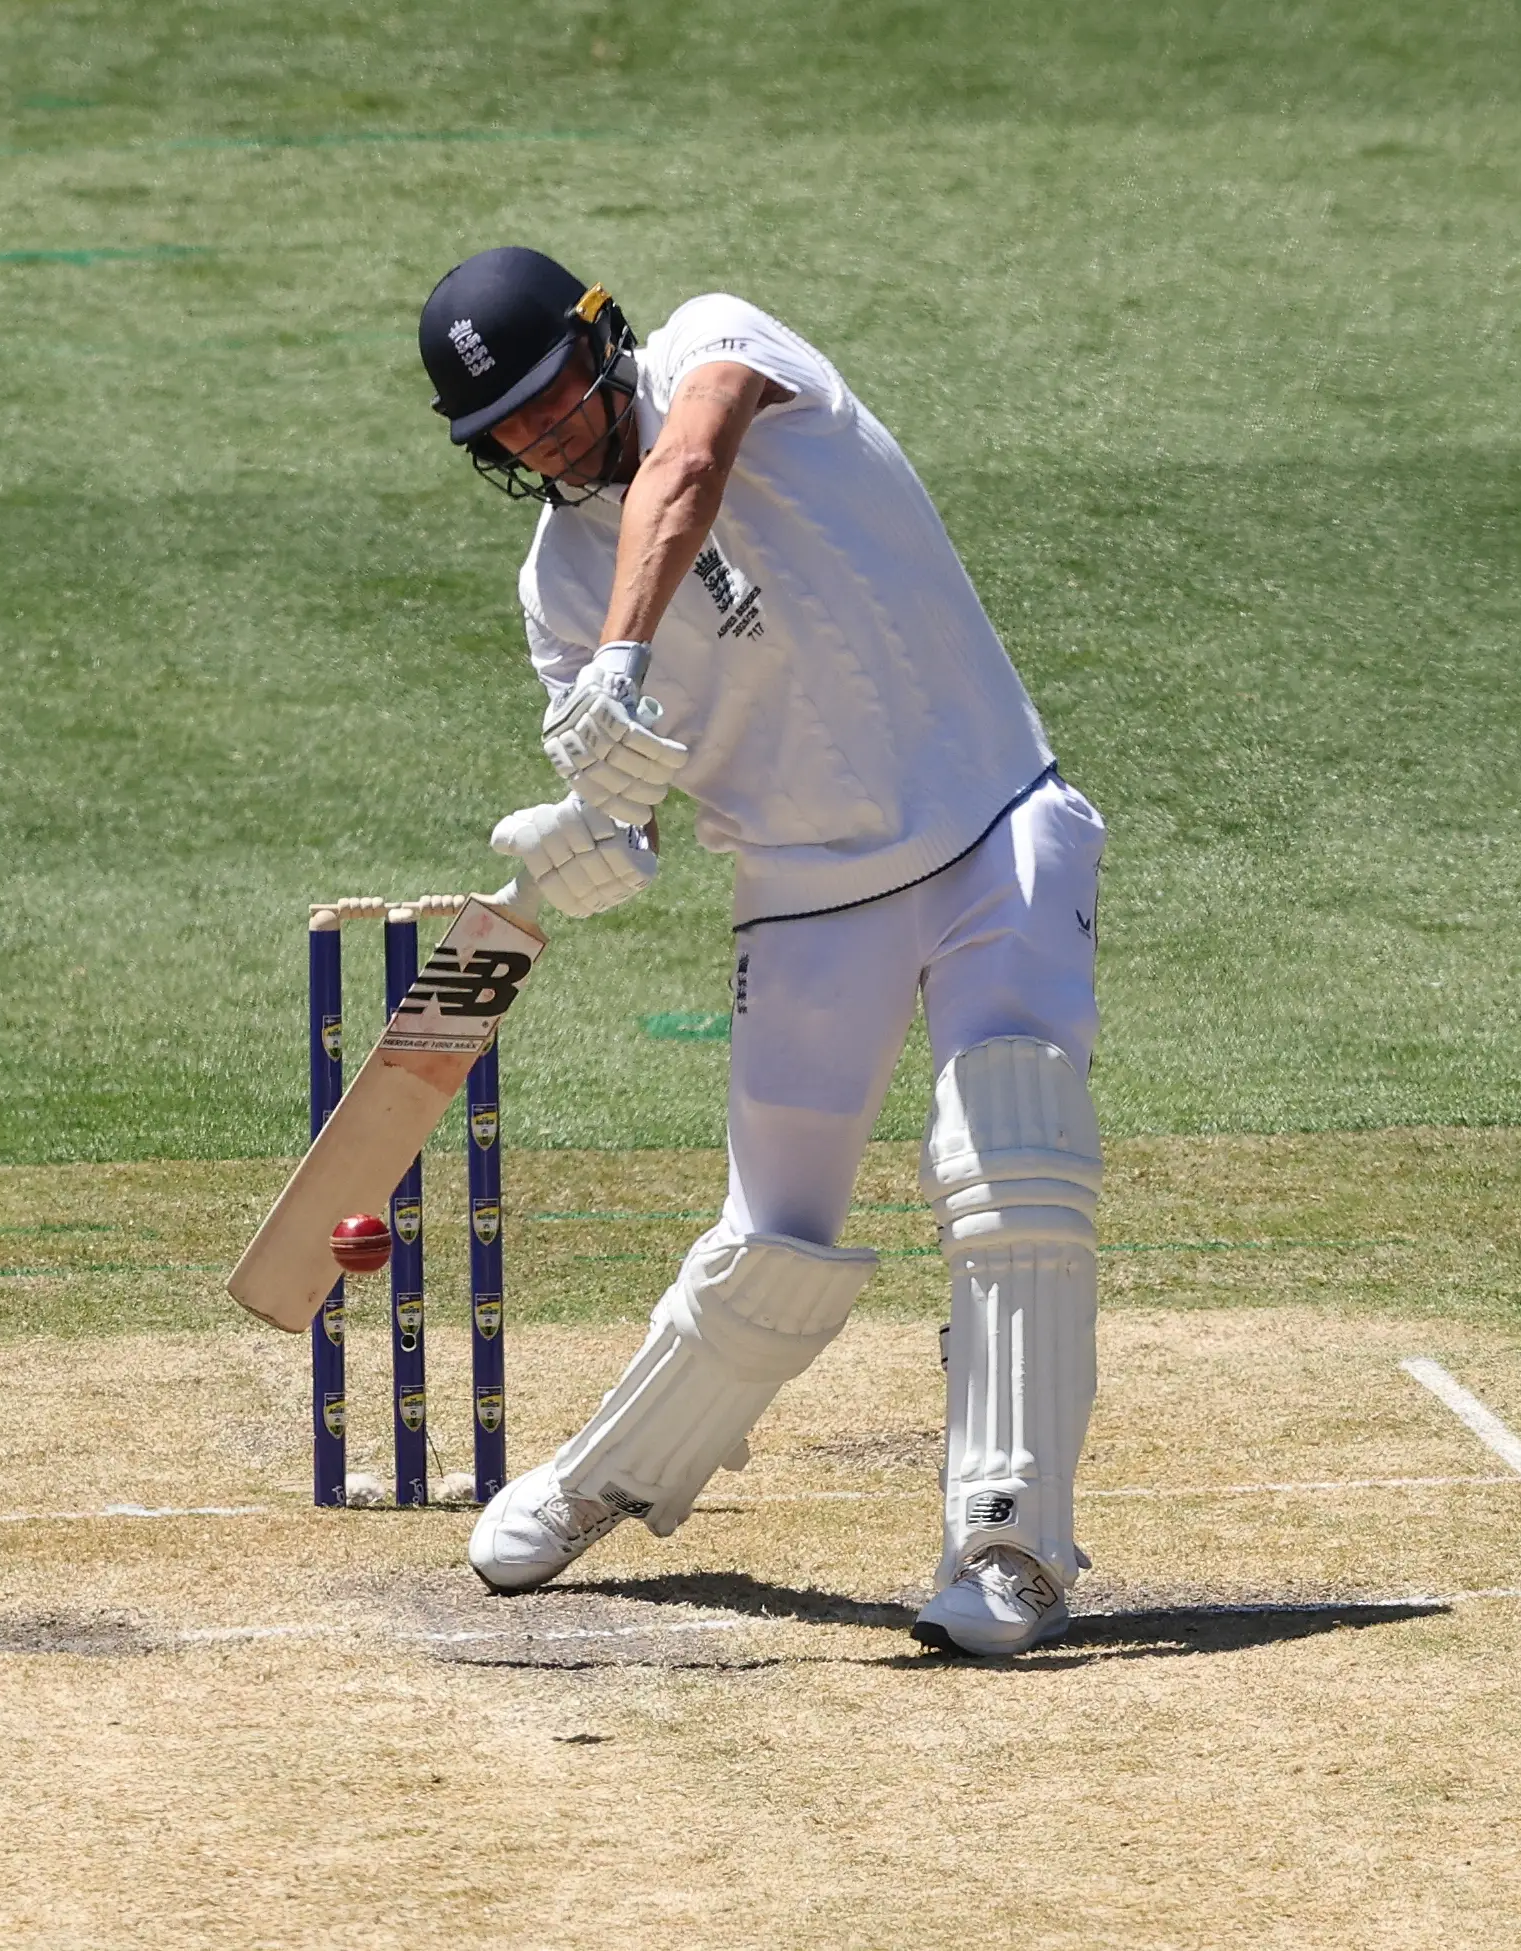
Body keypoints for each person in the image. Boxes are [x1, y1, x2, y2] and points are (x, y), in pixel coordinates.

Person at [417, 247, 1105, 1656]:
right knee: (767, 1243)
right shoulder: (557, 586)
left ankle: (1009, 1553)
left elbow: (689, 461)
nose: (541, 436)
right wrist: (595, 837)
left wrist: (623, 656)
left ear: (600, 343)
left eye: (551, 396)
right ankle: (607, 1477)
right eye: (508, 433)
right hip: (801, 900)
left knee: (1011, 1167)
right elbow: (622, 795)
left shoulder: (720, 341)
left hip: (994, 827)